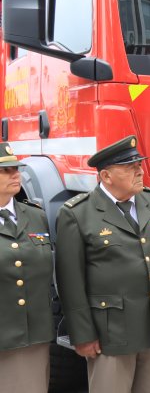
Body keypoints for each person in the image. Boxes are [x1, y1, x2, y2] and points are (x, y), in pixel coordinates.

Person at [55, 135, 150, 392]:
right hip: (111, 332)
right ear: (106, 176)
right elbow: (70, 282)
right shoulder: (77, 213)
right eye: (130, 167)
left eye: (139, 165)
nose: (140, 171)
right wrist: (82, 334)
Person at [0, 143, 54, 393]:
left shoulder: (34, 215)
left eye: (16, 168)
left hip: (33, 334)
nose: (15, 174)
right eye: (6, 170)